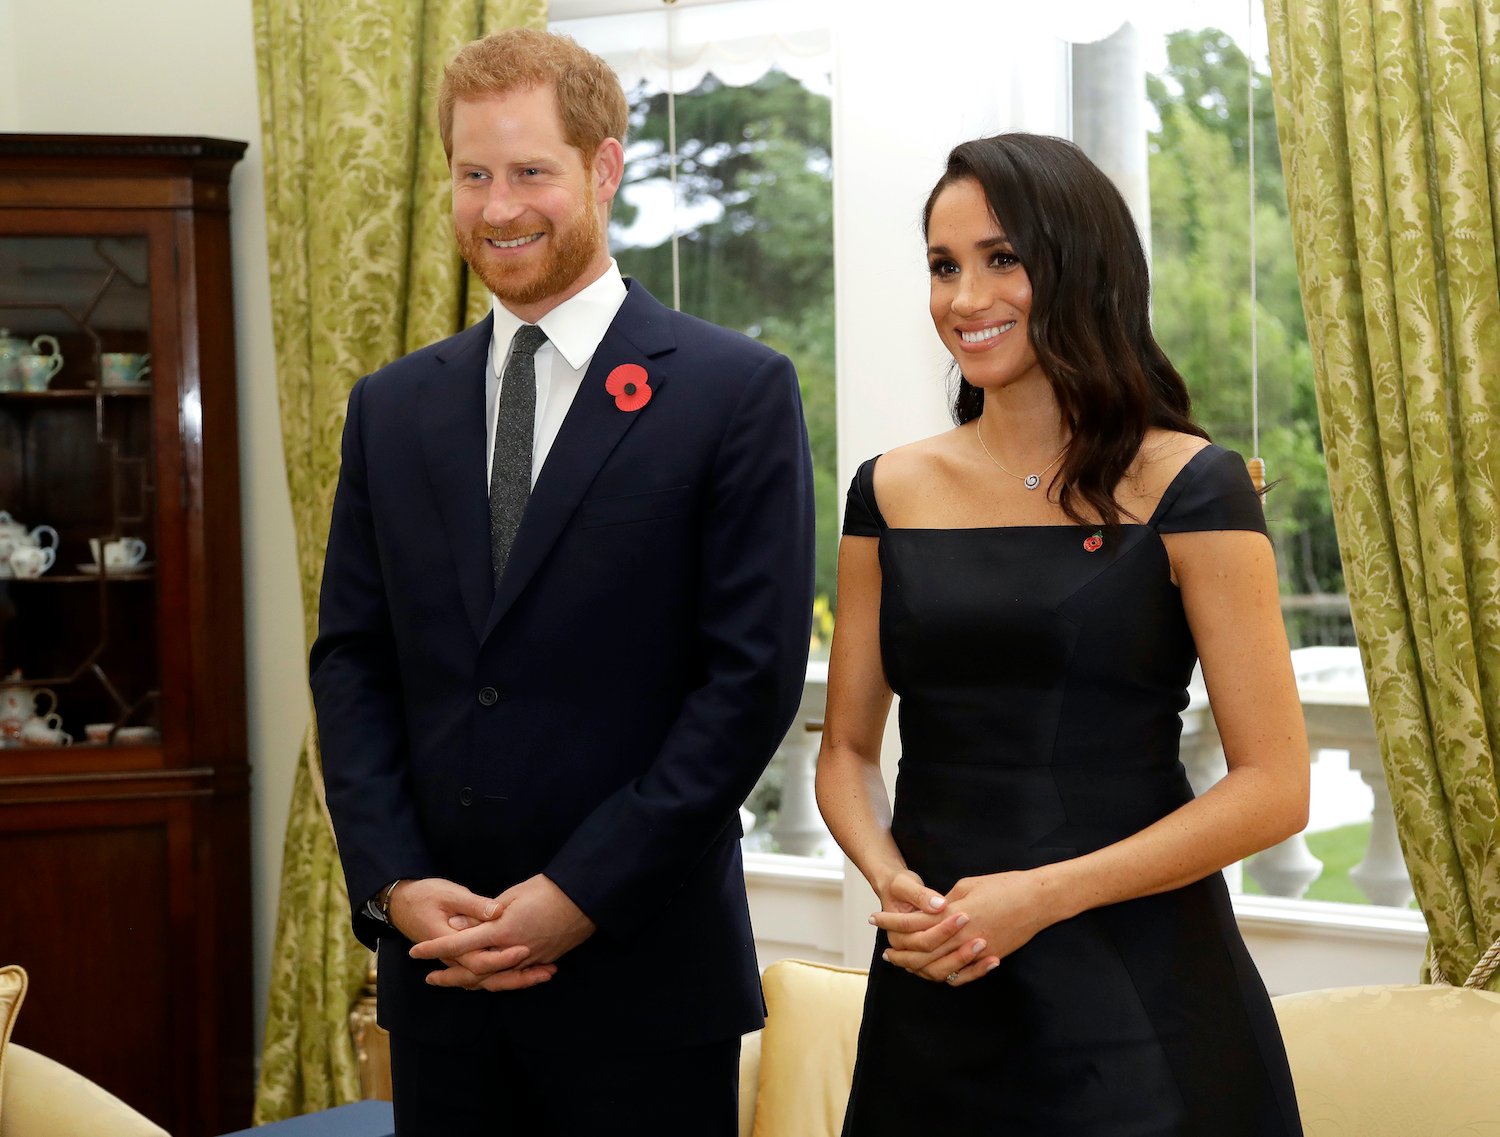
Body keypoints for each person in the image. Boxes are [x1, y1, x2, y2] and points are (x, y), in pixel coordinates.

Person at [309, 27, 814, 1136]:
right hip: (441, 979)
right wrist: (392, 883)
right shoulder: (390, 408)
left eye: (531, 170)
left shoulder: (735, 394)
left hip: (644, 981)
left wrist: (578, 896)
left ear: (603, 168)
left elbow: (748, 685)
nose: (499, 208)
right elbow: (353, 661)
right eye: (473, 174)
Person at [815, 132, 1308, 1135]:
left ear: (1079, 266)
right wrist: (895, 883)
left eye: (1004, 259)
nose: (965, 298)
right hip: (937, 983)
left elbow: (1276, 787)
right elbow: (847, 751)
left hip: (1138, 996)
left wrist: (1041, 895)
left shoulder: (1191, 483)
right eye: (944, 267)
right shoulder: (889, 491)